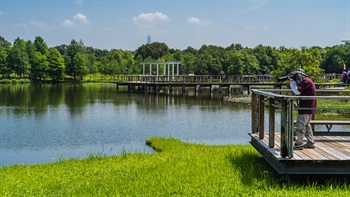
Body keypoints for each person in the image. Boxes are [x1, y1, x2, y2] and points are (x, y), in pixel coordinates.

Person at [288, 69, 317, 149]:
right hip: (307, 106)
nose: (296, 78)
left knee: (300, 126)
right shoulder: (307, 81)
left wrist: (292, 82)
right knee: (307, 126)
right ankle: (310, 142)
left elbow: (297, 91)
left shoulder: (306, 82)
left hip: (306, 107)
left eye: (296, 76)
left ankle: (299, 144)